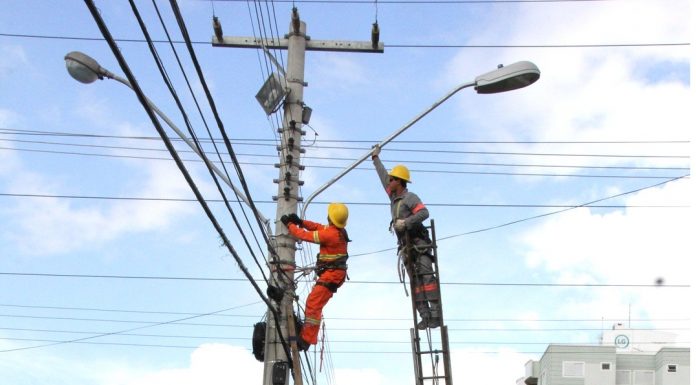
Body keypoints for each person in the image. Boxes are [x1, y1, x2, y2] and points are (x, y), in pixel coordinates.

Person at [371, 144, 440, 330]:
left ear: (399, 182)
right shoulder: (393, 197)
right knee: (415, 282)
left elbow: (424, 213)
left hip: (419, 245)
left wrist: (406, 222)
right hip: (406, 248)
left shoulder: (410, 198)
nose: (389, 182)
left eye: (393, 179)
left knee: (427, 278)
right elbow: (383, 177)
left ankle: (435, 315)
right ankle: (424, 316)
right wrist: (375, 159)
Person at [280, 202, 350, 350]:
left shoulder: (330, 234)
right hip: (334, 274)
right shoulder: (338, 230)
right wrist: (301, 222)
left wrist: (290, 225)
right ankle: (306, 336)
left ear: (331, 217)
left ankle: (306, 340)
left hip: (332, 275)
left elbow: (304, 235)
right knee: (314, 304)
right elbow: (317, 226)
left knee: (313, 304)